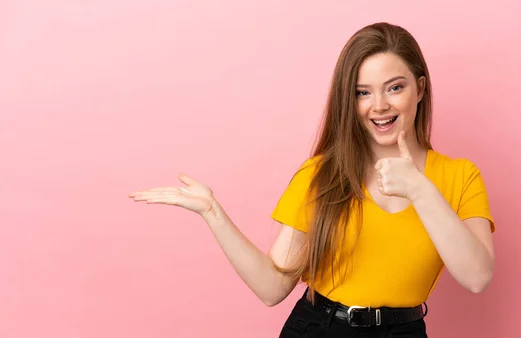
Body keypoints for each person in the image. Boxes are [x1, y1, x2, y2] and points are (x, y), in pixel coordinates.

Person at [129, 22, 495, 338]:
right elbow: (273, 287)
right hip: (320, 328)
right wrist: (212, 213)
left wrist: (420, 189)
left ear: (420, 88)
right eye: (362, 93)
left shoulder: (459, 176)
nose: (379, 105)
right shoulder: (322, 174)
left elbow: (477, 277)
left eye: (394, 87)